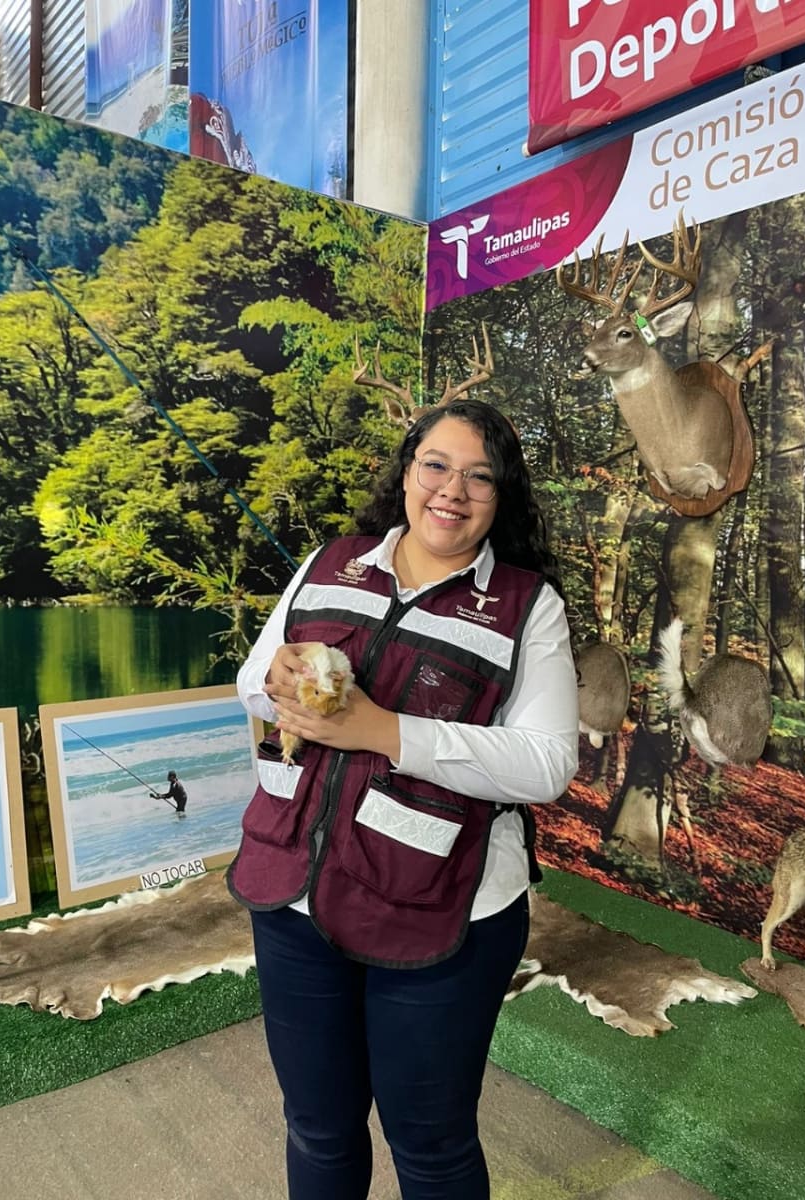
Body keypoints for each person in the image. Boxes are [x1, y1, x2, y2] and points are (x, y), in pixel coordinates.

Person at [229, 399, 579, 1200]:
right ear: (408, 470)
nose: (452, 490)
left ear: (501, 496)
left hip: (445, 913)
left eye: (479, 477)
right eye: (436, 466)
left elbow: (546, 765)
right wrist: (274, 677)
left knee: (431, 1147)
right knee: (317, 1127)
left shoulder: (528, 606)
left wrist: (385, 731)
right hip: (296, 896)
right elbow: (254, 679)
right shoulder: (332, 562)